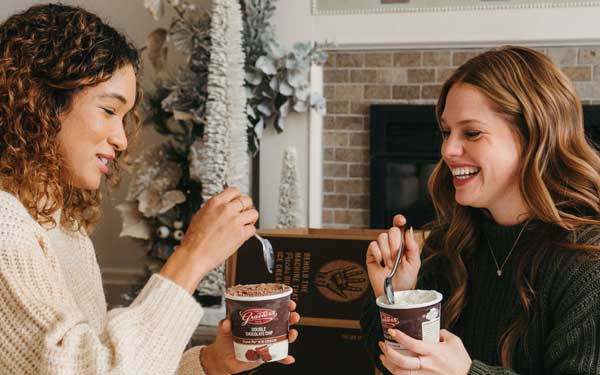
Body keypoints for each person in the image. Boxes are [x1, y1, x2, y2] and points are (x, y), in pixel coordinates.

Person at [0, 4, 299, 374]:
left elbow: (109, 359)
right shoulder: (6, 230)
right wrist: (193, 256)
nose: (122, 139)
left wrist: (209, 363)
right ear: (40, 102)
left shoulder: (59, 223)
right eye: (109, 110)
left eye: (125, 119)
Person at [361, 45, 600, 374]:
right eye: (446, 132)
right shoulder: (453, 241)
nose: (448, 150)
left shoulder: (588, 263)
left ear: (533, 137)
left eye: (471, 133)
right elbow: (394, 365)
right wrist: (398, 297)